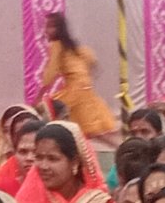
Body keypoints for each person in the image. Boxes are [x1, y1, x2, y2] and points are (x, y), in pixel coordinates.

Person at [35, 10, 117, 143]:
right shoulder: (72, 46)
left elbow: (51, 72)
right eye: (46, 26)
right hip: (85, 89)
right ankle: (119, 147)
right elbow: (91, 60)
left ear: (59, 28)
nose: (46, 30)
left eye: (50, 26)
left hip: (75, 92)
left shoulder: (57, 45)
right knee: (89, 131)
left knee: (51, 115)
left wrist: (38, 97)